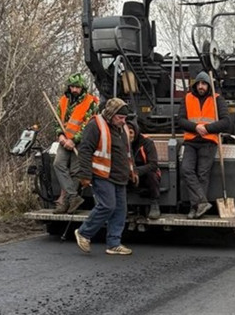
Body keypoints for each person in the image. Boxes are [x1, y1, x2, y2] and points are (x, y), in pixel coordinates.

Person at [74, 98, 137, 255]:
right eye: (120, 117)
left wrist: (132, 171)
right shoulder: (95, 125)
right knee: (107, 206)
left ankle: (114, 243)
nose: (123, 121)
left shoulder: (122, 128)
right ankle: (84, 233)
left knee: (120, 210)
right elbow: (85, 150)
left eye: (124, 118)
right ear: (111, 114)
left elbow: (127, 153)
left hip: (119, 176)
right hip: (102, 174)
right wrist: (85, 175)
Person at [177, 71, 231, 219]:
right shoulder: (187, 98)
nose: (201, 86)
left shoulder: (217, 99)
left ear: (209, 85)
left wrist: (206, 128)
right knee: (186, 169)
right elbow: (180, 120)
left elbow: (226, 122)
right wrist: (195, 127)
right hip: (191, 141)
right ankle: (201, 203)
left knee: (202, 175)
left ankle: (196, 208)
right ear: (195, 85)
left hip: (209, 142)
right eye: (199, 84)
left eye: (204, 84)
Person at [52, 73, 99, 215]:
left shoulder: (91, 102)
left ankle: (66, 203)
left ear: (82, 87)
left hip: (81, 142)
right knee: (58, 164)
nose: (74, 89)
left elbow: (88, 125)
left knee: (74, 172)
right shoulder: (63, 100)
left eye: (77, 87)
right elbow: (57, 120)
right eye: (72, 86)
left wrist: (74, 140)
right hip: (64, 140)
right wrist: (60, 135)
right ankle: (73, 197)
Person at [126, 120, 161, 219]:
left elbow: (153, 164)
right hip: (128, 174)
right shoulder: (121, 143)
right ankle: (123, 207)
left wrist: (136, 171)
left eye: (131, 132)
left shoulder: (147, 142)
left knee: (151, 174)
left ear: (136, 132)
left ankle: (154, 204)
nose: (129, 136)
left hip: (145, 174)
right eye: (126, 132)